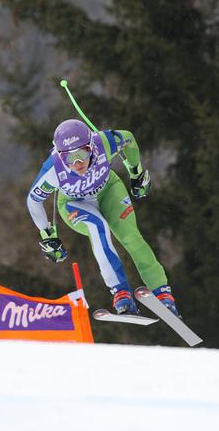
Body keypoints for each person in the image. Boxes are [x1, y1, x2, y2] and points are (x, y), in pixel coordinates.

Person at [26, 119, 179, 316]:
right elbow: (33, 200)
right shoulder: (53, 170)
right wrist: (48, 235)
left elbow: (129, 139)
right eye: (69, 158)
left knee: (131, 237)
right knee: (97, 227)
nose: (77, 163)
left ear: (91, 146)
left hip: (108, 190)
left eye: (82, 153)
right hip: (75, 204)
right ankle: (120, 292)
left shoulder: (104, 142)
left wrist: (136, 174)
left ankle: (162, 292)